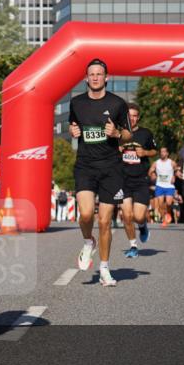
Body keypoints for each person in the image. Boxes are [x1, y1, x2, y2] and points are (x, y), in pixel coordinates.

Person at [69, 58, 132, 286]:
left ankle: (104, 269)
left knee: (105, 221)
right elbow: (73, 125)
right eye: (91, 74)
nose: (95, 77)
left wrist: (116, 134)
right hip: (85, 165)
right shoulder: (76, 102)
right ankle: (88, 242)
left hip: (111, 167)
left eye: (99, 74)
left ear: (107, 77)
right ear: (86, 78)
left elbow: (128, 135)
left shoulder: (118, 104)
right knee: (86, 214)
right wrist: (72, 130)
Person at [119, 103, 156, 258]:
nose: (132, 119)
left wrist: (145, 152)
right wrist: (116, 150)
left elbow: (155, 150)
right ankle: (133, 246)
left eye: (135, 116)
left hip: (141, 179)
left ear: (138, 118)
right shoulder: (118, 134)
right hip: (122, 179)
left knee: (138, 216)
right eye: (130, 116)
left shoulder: (146, 133)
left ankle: (142, 225)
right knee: (126, 215)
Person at [150, 146, 178, 227]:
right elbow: (150, 171)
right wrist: (152, 174)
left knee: (169, 204)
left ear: (167, 153)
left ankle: (168, 213)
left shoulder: (172, 162)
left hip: (169, 186)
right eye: (161, 152)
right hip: (159, 185)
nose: (162, 153)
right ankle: (164, 219)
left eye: (164, 152)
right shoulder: (156, 163)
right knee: (160, 204)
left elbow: (177, 170)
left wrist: (174, 177)